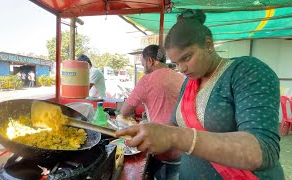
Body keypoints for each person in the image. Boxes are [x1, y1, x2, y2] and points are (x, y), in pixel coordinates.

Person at [116, 9, 284, 180]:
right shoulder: (190, 82)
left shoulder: (246, 71)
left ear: (209, 44)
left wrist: (173, 136)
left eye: (186, 58)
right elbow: (175, 125)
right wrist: (151, 131)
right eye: (176, 63)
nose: (181, 68)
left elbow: (263, 151)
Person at [120, 44, 184, 180]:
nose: (144, 68)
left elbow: (124, 111)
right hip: (183, 146)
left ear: (150, 61)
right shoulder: (181, 78)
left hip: (162, 150)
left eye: (143, 64)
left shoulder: (147, 80)